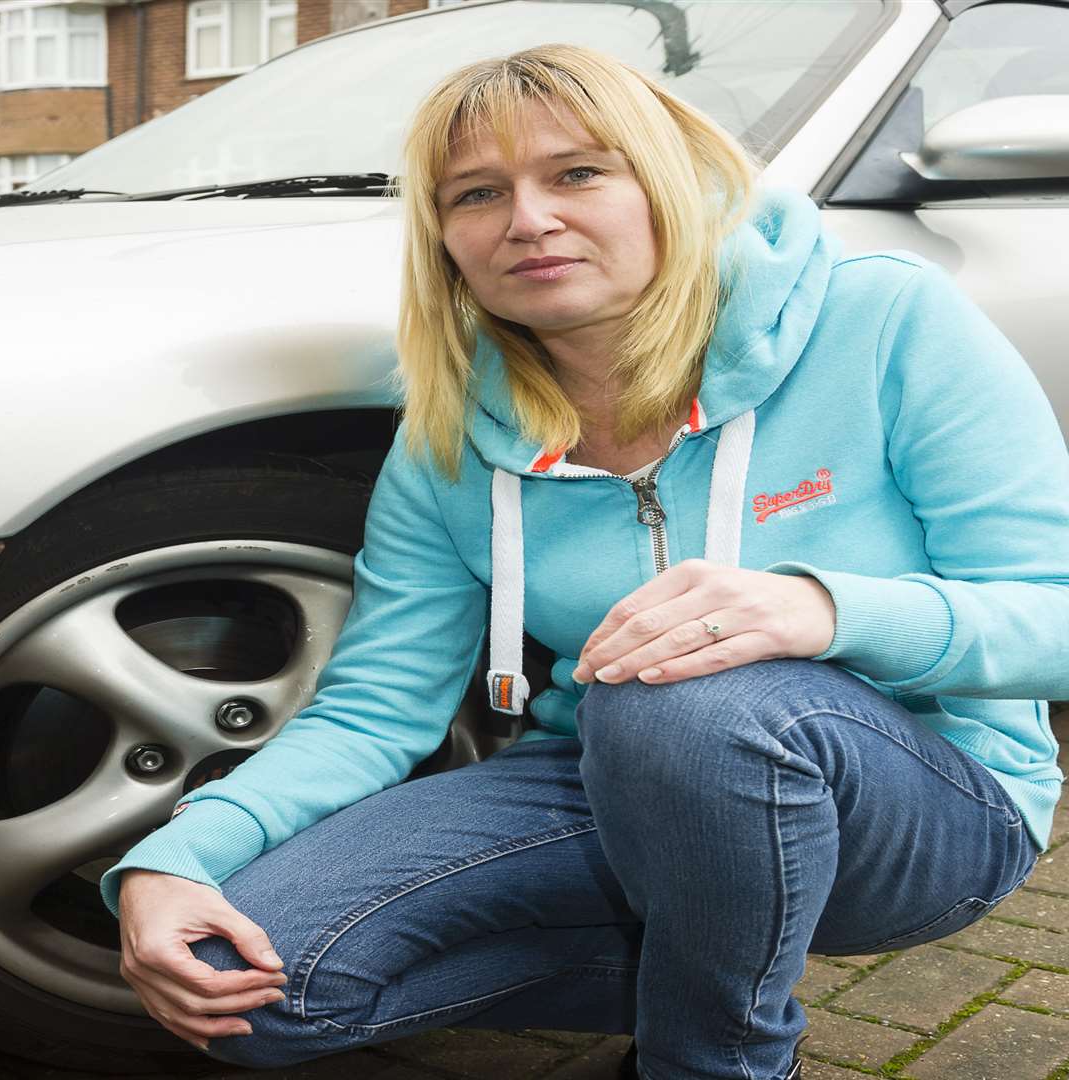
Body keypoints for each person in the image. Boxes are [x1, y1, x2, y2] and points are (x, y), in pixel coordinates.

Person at [99, 44, 1067, 1080]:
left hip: (928, 799)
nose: (529, 219)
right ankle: (712, 950)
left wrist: (824, 611)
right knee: (237, 984)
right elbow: (375, 708)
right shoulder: (452, 433)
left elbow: (1051, 622)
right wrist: (174, 856)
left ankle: (715, 1056)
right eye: (479, 193)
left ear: (668, 186)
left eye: (577, 173)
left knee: (678, 696)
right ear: (445, 242)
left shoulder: (882, 318)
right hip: (604, 780)